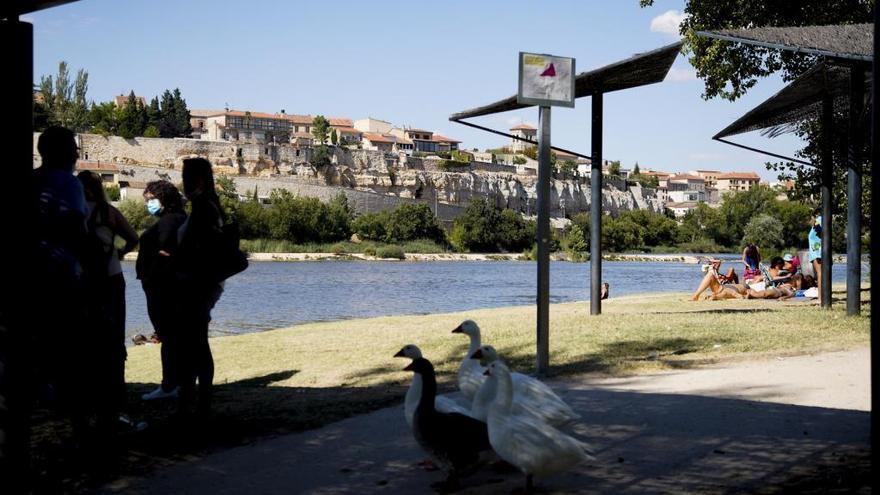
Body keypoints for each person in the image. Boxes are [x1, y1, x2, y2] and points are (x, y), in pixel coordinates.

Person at [33, 127, 92, 444]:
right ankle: (80, 430)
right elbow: (77, 233)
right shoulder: (67, 184)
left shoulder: (32, 181)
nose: (76, 153)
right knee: (73, 356)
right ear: (58, 152)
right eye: (73, 147)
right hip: (61, 281)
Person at [76, 171, 139, 432]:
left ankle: (87, 400)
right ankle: (116, 401)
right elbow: (133, 238)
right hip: (111, 279)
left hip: (82, 281)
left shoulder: (73, 213)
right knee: (114, 340)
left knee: (85, 339)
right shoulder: (108, 212)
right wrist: (118, 253)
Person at [176, 158, 227, 417]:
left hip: (196, 283)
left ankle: (192, 404)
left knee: (192, 346)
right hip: (206, 283)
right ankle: (198, 402)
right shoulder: (212, 205)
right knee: (198, 344)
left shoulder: (201, 207)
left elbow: (194, 247)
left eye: (184, 178)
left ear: (195, 181)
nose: (181, 184)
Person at [136, 180, 187, 401]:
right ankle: (179, 383)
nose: (148, 204)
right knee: (175, 337)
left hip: (163, 288)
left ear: (163, 199)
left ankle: (169, 385)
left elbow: (167, 253)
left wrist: (151, 273)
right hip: (167, 286)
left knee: (170, 337)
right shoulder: (178, 219)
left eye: (150, 200)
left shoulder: (169, 222)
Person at [808, 216, 823, 305]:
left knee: (820, 274)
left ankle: (820, 298)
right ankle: (822, 297)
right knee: (820, 274)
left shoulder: (819, 220)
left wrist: (818, 252)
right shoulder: (818, 221)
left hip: (817, 252)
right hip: (816, 251)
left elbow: (821, 233)